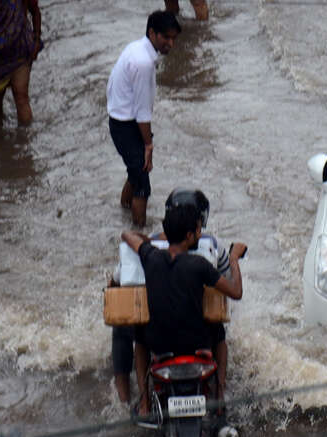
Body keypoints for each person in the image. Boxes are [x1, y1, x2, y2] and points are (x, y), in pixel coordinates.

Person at [121, 201, 245, 416]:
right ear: (189, 236)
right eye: (198, 230)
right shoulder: (199, 265)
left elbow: (127, 235)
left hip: (159, 346)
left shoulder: (150, 257)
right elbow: (236, 292)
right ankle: (220, 395)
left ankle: (144, 403)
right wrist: (234, 258)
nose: (200, 233)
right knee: (219, 330)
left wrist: (150, 241)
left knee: (139, 334)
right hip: (196, 344)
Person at [106, 11, 182, 227]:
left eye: (173, 38)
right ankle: (139, 232)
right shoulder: (143, 63)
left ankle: (124, 213)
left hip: (120, 120)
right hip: (126, 125)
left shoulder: (136, 48)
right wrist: (148, 144)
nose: (171, 43)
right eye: (166, 37)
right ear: (152, 33)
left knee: (135, 171)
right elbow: (142, 112)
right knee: (142, 185)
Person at [0, 0, 42, 126]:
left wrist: (36, 38)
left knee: (21, 98)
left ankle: (25, 142)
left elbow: (35, 10)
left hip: (20, 48)